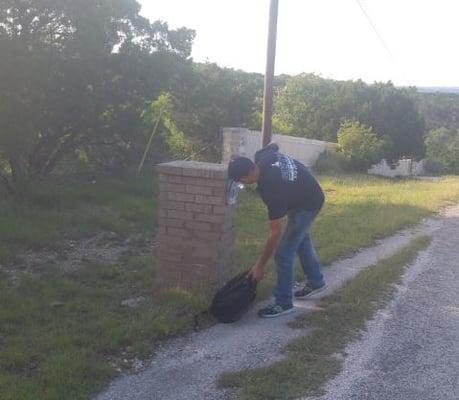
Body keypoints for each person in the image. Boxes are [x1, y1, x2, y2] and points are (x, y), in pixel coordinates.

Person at [227, 143, 326, 318]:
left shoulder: (271, 189)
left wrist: (259, 266)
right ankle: (316, 281)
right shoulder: (262, 156)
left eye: (240, 181)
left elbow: (274, 234)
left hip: (309, 203)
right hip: (305, 194)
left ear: (246, 176)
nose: (242, 184)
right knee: (300, 239)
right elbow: (273, 146)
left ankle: (283, 303)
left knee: (283, 254)